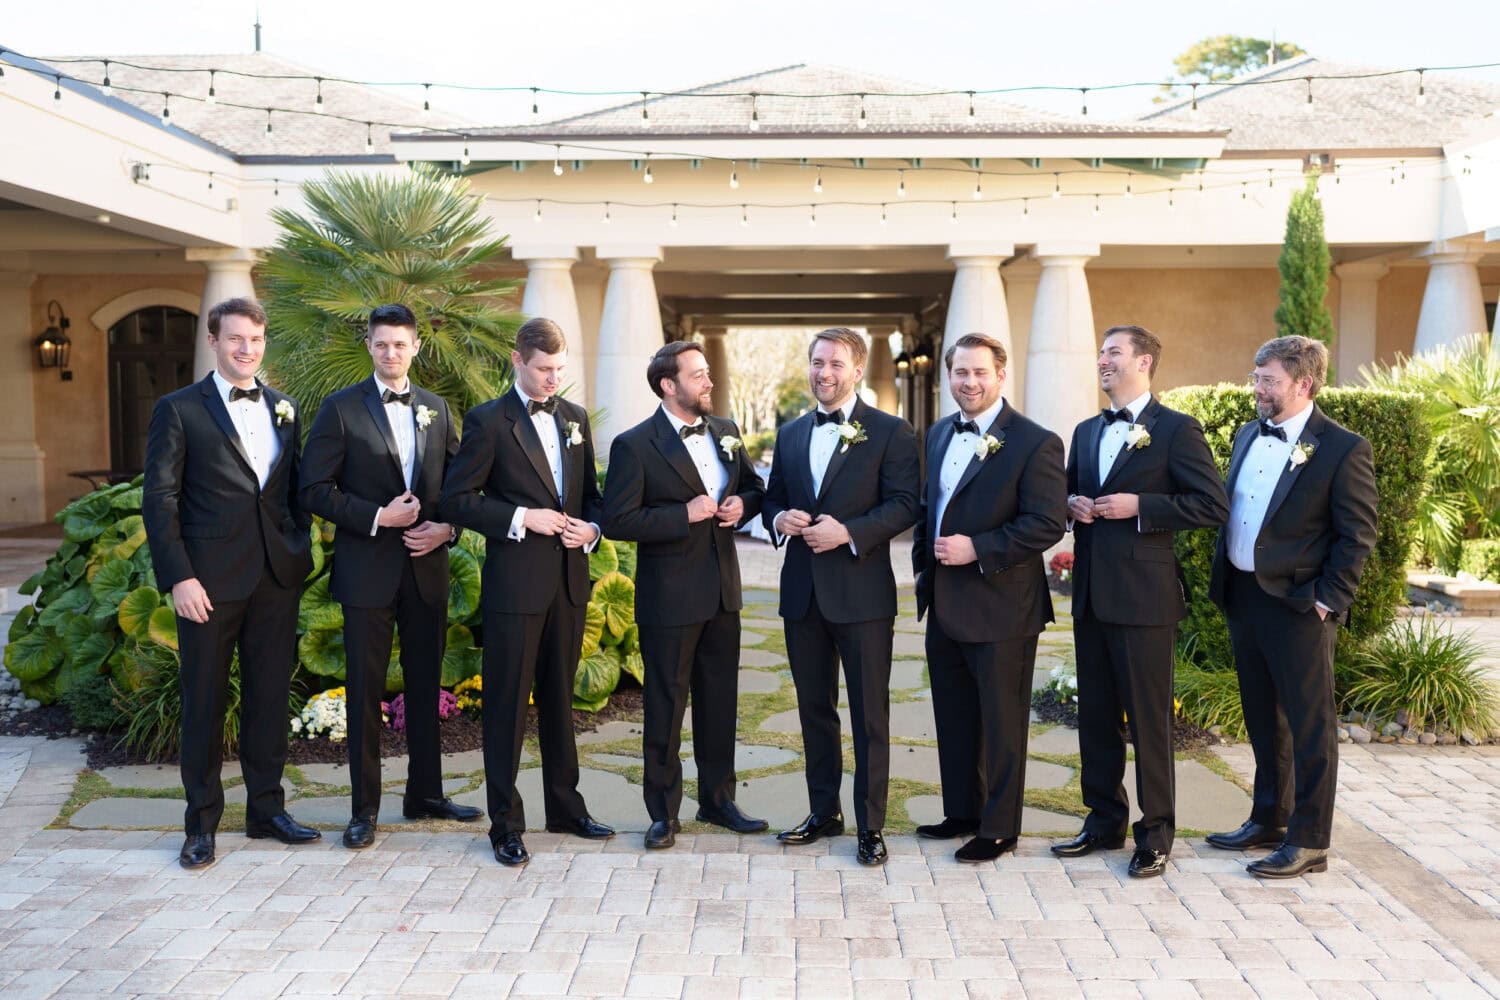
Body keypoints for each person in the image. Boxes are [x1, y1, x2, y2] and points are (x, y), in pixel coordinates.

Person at [142, 296, 317, 870]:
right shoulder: (178, 409)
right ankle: (200, 825)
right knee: (205, 701)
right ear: (214, 341)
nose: (248, 349)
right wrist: (180, 577)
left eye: (257, 340)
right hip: (208, 583)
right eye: (237, 338)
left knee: (269, 698)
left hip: (275, 577)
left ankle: (267, 810)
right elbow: (160, 500)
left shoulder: (285, 407)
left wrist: (295, 547)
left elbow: (291, 491)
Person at [299, 303, 481, 850]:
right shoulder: (340, 409)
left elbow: (461, 489)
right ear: (370, 347)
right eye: (381, 344)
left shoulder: (438, 408)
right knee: (365, 690)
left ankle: (426, 793)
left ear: (416, 347)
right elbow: (313, 490)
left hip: (427, 568)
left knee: (426, 685)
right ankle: (364, 810)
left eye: (400, 344)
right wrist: (379, 517)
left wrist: (446, 530)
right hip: (366, 571)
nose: (391, 352)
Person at [1051, 325, 1228, 877]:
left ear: (1144, 361)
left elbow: (1210, 504)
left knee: (1150, 722)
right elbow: (1064, 492)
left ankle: (1155, 834)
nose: (1102, 361)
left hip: (1146, 600)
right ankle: (1102, 820)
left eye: (1113, 353)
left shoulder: (1177, 430)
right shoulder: (1084, 431)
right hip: (1091, 598)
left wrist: (1141, 506)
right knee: (1096, 718)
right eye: (1100, 353)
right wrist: (1072, 505)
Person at [438, 317, 613, 867]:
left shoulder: (576, 419)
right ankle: (505, 825)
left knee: (562, 703)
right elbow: (456, 500)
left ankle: (565, 807)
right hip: (515, 587)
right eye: (543, 370)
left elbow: (593, 496)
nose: (551, 381)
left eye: (560, 370)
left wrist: (593, 528)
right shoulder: (488, 422)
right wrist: (521, 517)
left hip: (569, 583)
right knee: (508, 708)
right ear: (517, 360)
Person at [1206, 335, 1377, 878]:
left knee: (1309, 726)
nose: (1257, 389)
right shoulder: (1244, 435)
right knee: (1262, 717)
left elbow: (1358, 535)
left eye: (1268, 381)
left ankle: (1309, 841)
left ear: (1303, 384)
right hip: (1244, 595)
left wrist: (1327, 601)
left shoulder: (1342, 448)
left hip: (1301, 606)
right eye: (1256, 378)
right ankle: (1268, 819)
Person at [761, 327, 919, 866]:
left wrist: (849, 533)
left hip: (863, 596)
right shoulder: (790, 434)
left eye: (835, 364)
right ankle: (823, 812)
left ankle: (871, 826)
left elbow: (905, 505)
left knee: (870, 715)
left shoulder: (893, 432)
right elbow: (773, 498)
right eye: (816, 362)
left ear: (856, 371)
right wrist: (778, 518)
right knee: (814, 710)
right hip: (802, 595)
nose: (823, 373)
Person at [602, 341, 768, 849]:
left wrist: (743, 502)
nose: (709, 382)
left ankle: (718, 802)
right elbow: (617, 519)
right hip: (669, 599)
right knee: (665, 705)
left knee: (720, 704)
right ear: (668, 385)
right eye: (698, 375)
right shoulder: (634, 445)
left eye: (708, 373)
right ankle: (663, 813)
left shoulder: (727, 432)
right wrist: (683, 515)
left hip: (723, 594)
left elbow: (756, 488)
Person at [912, 333, 1067, 862]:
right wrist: (925, 574)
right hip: (946, 604)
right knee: (954, 716)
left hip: (1003, 606)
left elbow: (1048, 522)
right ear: (948, 377)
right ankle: (963, 811)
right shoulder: (936, 433)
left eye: (980, 373)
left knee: (1002, 724)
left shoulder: (1034, 441)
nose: (969, 382)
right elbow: (928, 509)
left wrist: (977, 547)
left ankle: (999, 827)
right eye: (960, 373)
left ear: (1001, 376)